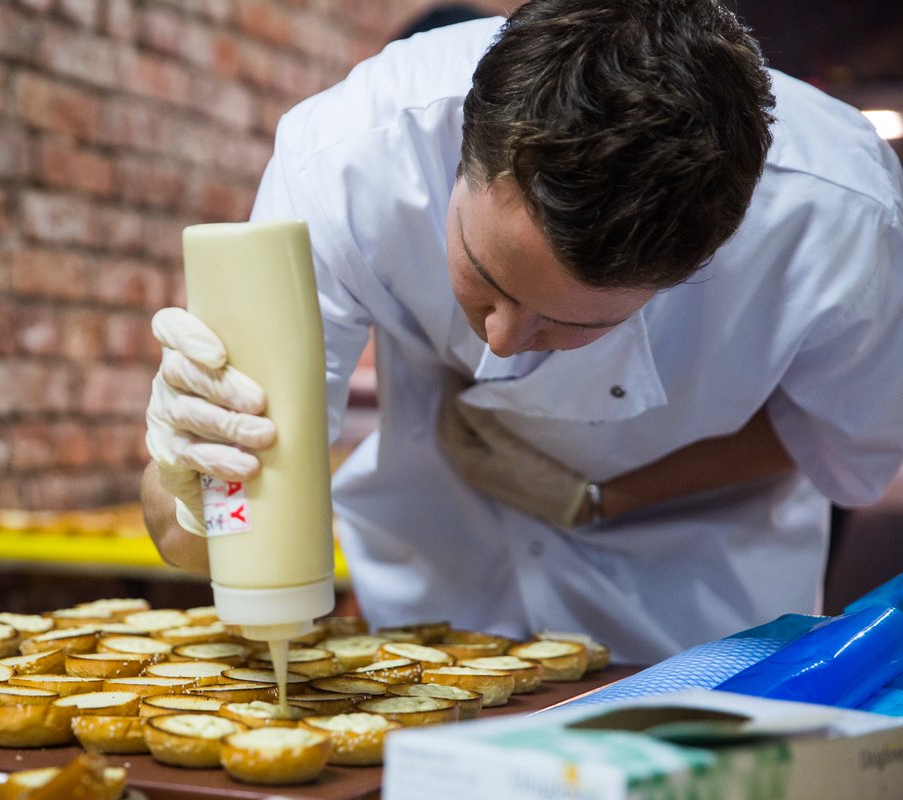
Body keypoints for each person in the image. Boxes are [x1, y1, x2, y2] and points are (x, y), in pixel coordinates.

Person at [142, 0, 903, 664]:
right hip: (434, 607)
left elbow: (839, 447)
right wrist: (191, 495)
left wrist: (600, 496)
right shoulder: (347, 160)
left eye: (574, 322)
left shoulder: (843, 221)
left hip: (697, 620)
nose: (501, 340)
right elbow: (221, 520)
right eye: (486, 275)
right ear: (464, 152)